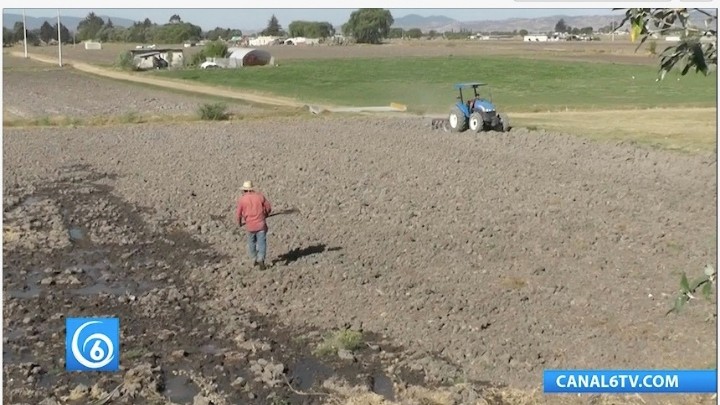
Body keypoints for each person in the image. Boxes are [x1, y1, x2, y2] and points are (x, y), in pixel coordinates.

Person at [235, 181, 272, 269]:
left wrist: (239, 223)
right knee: (262, 243)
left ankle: (254, 258)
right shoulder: (260, 197)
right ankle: (261, 259)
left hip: (250, 225)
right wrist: (265, 214)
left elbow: (238, 214)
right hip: (261, 224)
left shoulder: (242, 200)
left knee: (251, 242)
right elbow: (268, 207)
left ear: (244, 190)